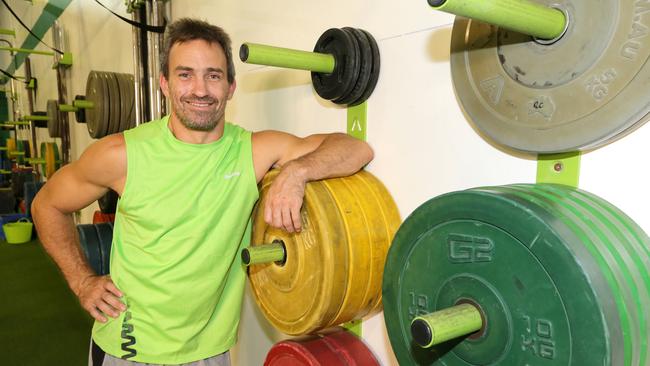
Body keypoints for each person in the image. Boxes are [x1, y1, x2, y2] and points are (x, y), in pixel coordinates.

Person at [31, 18, 373, 366]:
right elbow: (47, 204)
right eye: (185, 74)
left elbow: (355, 149)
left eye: (213, 75)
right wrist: (82, 281)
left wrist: (298, 172)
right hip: (130, 346)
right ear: (164, 83)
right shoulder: (121, 155)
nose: (200, 89)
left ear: (230, 86)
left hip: (209, 352)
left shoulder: (252, 151)